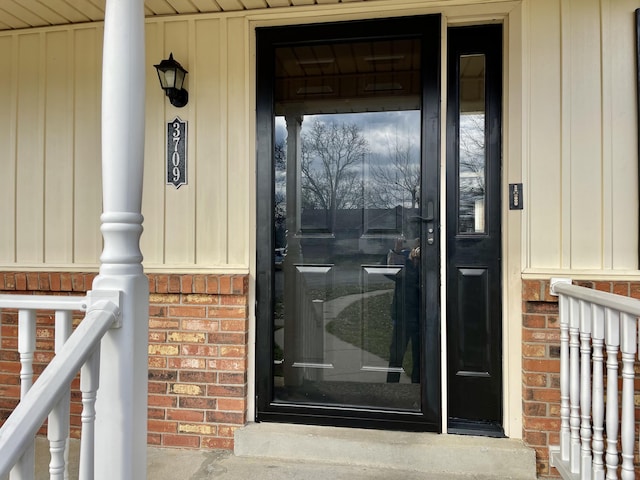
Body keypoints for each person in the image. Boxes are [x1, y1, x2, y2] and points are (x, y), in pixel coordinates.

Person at [386, 238, 421, 383]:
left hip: (422, 315)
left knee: (420, 357)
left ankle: (418, 390)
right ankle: (391, 387)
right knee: (396, 355)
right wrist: (397, 251)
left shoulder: (430, 255)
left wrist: (417, 262)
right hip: (402, 314)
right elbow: (391, 273)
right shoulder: (403, 256)